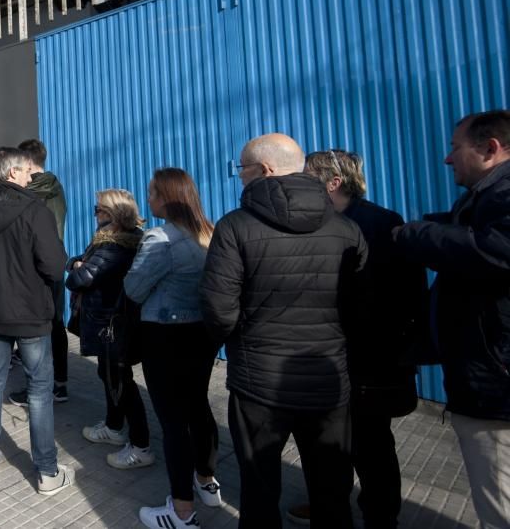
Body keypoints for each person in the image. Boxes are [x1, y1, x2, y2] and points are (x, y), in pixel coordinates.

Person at [200, 133, 366, 529]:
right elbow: (360, 308)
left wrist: (242, 341)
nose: (239, 177)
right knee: (331, 489)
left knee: (259, 491)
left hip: (260, 383)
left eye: (242, 169)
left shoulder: (235, 227)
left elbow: (218, 309)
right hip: (327, 379)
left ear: (265, 169)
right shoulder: (347, 230)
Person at [286, 150, 426, 528]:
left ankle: (380, 518)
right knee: (331, 445)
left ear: (333, 182)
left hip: (369, 359)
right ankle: (330, 506)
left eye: (307, 176)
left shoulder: (378, 224)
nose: (299, 182)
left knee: (372, 447)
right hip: (332, 357)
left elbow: (404, 295)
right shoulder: (320, 223)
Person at [394, 110, 510, 529]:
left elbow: (497, 249)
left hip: (497, 386)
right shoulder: (484, 196)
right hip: (488, 377)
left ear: (490, 148)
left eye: (454, 147)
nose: (448, 159)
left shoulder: (504, 192)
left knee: (500, 504)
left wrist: (414, 234)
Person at [0, 147, 71, 494]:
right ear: (10, 173)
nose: (30, 176)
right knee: (39, 390)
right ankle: (47, 471)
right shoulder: (34, 211)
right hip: (31, 315)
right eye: (25, 171)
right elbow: (54, 267)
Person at [124, 169, 221, 528]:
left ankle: (181, 510)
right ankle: (206, 480)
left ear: (167, 197)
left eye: (153, 193)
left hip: (165, 335)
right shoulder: (209, 234)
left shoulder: (160, 239)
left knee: (173, 420)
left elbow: (133, 288)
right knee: (198, 405)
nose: (148, 199)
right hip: (203, 334)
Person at [68, 189, 150, 471]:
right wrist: (76, 262)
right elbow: (80, 261)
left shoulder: (114, 246)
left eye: (98, 209)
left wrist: (77, 267)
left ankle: (141, 445)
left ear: (112, 214)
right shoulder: (111, 241)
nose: (95, 214)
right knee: (110, 374)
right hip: (113, 322)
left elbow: (80, 279)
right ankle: (114, 427)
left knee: (121, 381)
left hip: (113, 323)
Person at [9, 138, 70, 405]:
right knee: (56, 323)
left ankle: (37, 387)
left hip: (35, 266)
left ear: (28, 163)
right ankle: (60, 384)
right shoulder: (56, 187)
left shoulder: (29, 193)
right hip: (55, 261)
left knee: (35, 328)